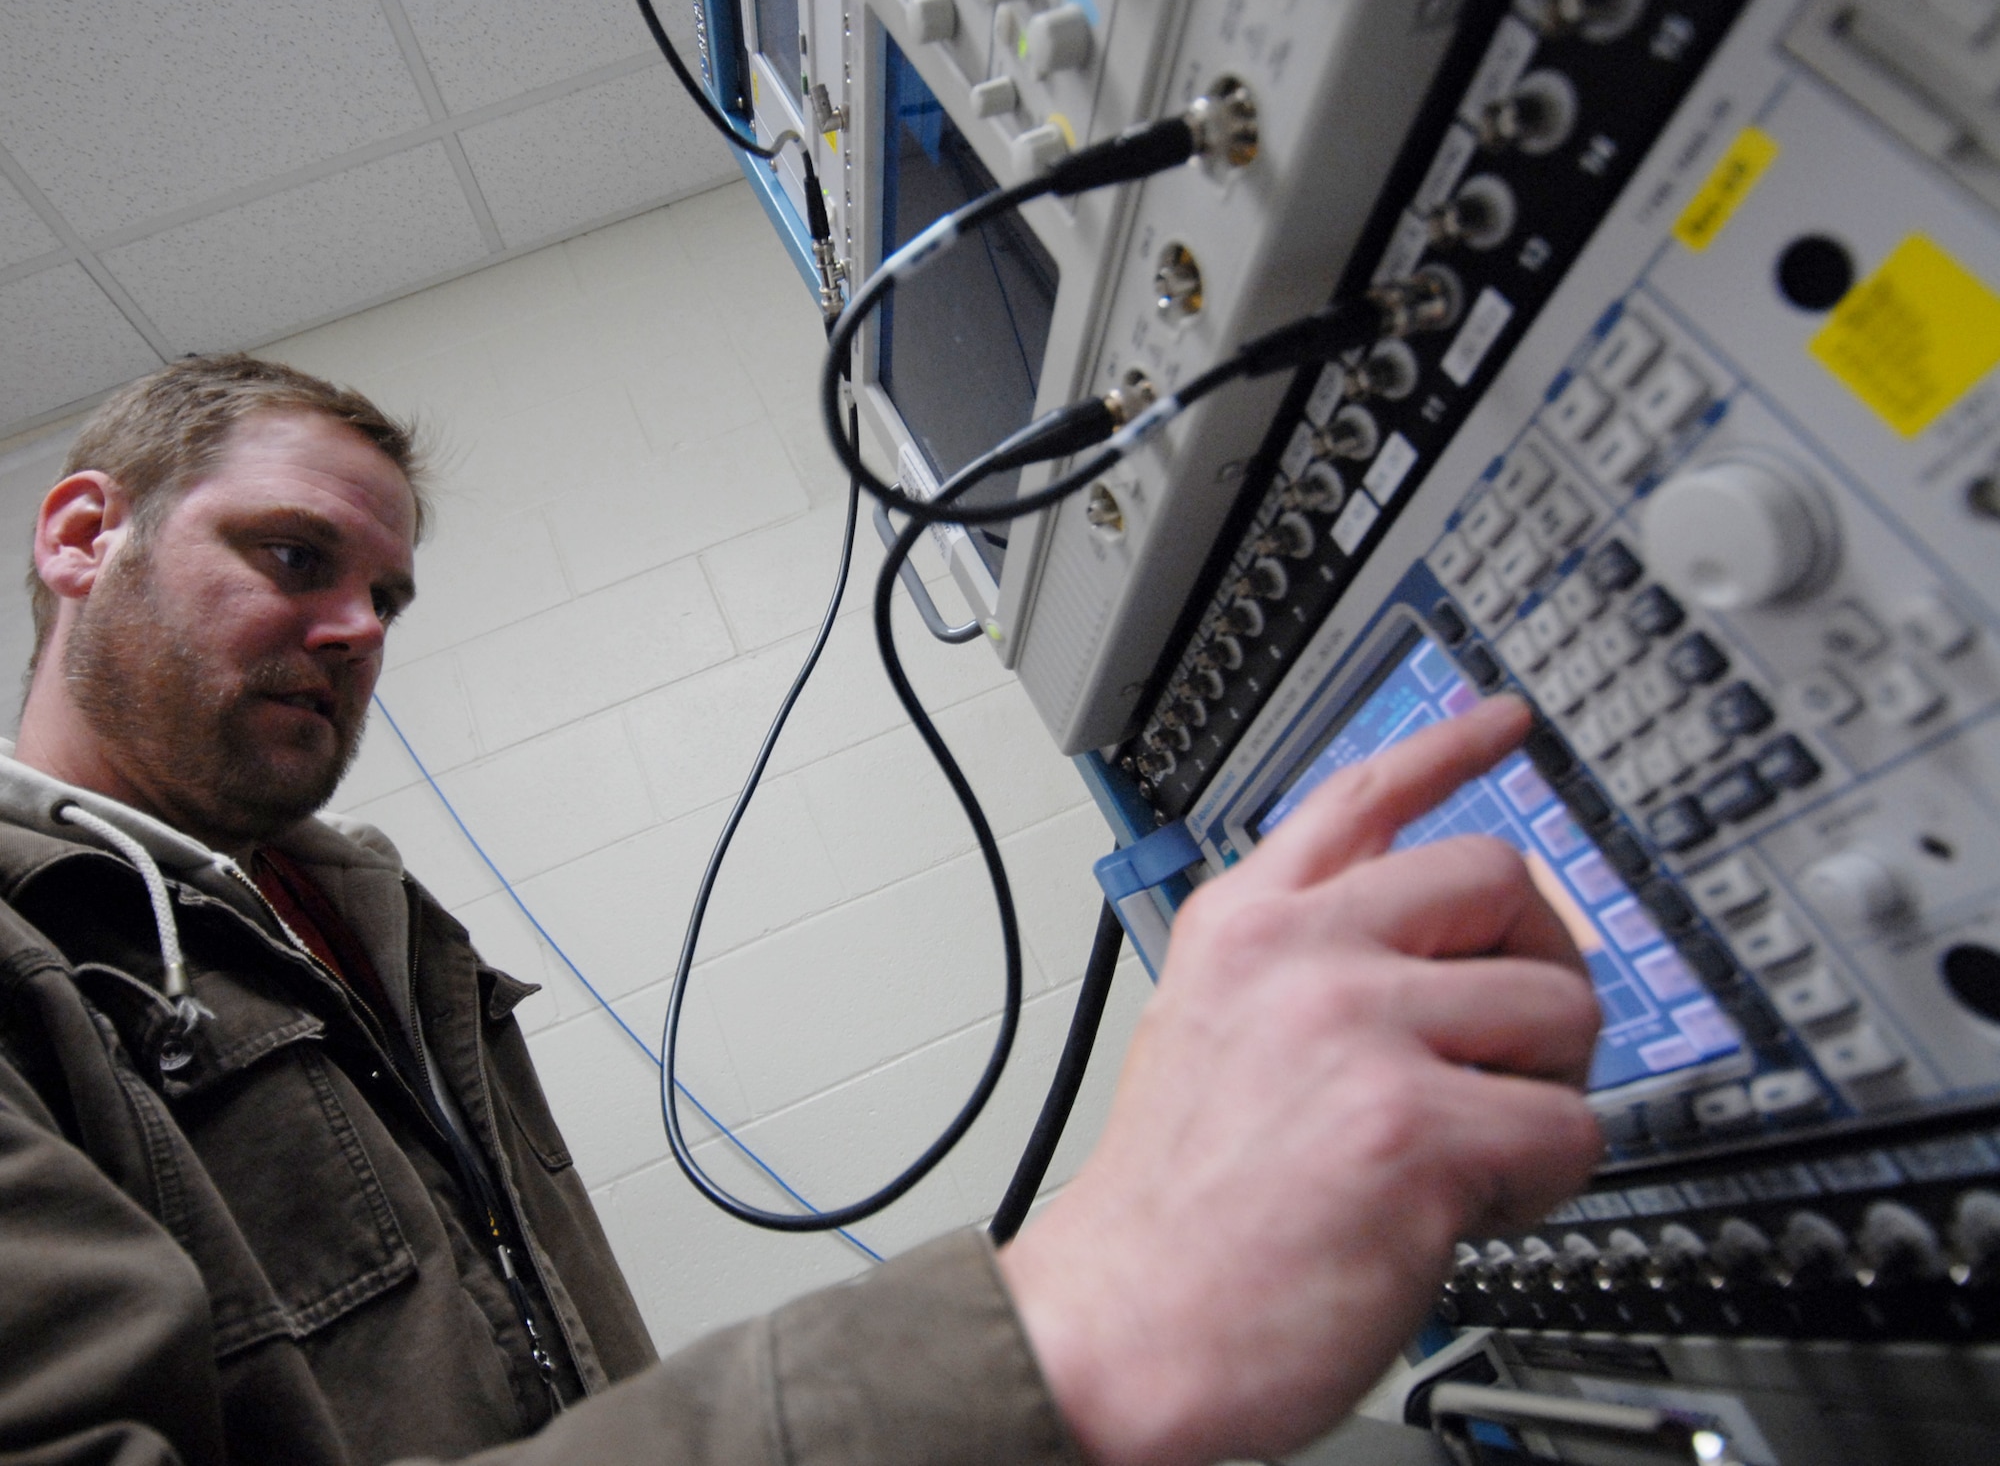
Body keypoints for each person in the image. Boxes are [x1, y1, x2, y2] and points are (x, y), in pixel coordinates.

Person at [0, 355, 1602, 1466]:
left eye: (389, 597)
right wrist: (1066, 1324)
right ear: (85, 536)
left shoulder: (358, 916)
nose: (355, 627)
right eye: (294, 552)